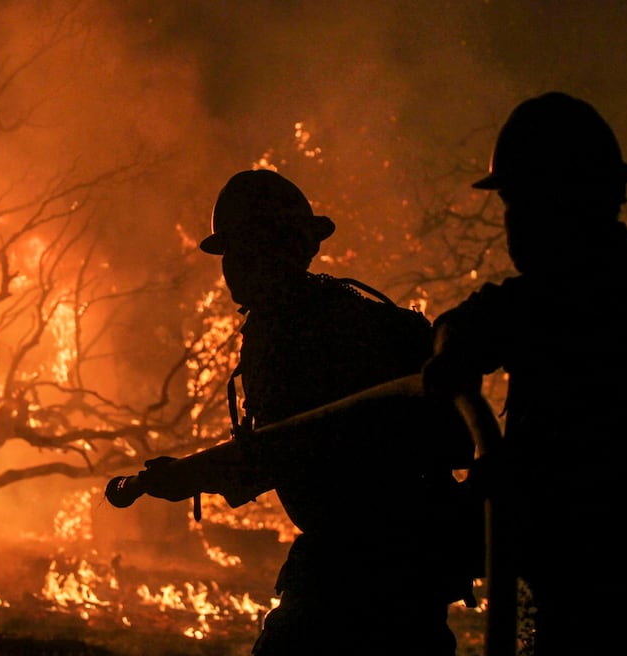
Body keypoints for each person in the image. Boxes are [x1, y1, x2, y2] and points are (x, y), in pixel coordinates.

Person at [422, 92, 627, 655]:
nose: (512, 223)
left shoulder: (594, 302)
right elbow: (473, 325)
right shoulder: (617, 290)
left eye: (520, 203)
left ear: (564, 204)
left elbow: (562, 479)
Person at [159, 169, 474, 654]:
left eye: (244, 251)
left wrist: (193, 476)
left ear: (284, 250)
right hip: (415, 563)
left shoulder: (290, 330)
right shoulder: (356, 314)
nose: (233, 269)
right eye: (231, 255)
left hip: (360, 564)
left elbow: (289, 450)